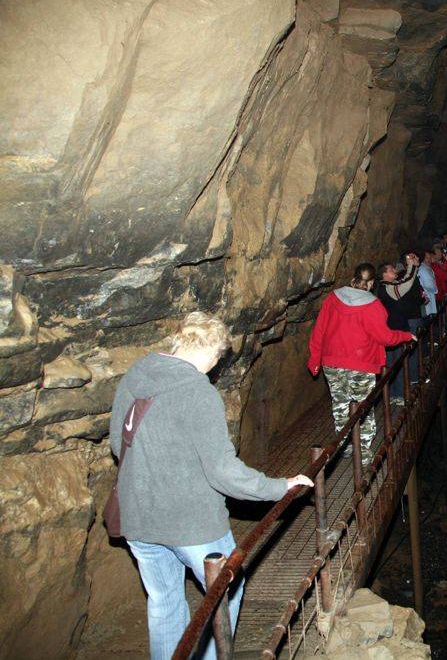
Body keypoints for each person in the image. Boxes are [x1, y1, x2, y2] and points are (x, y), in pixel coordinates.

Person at [110, 312, 314, 660]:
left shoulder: (137, 373)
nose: (217, 366)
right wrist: (280, 486)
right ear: (212, 351)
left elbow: (119, 443)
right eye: (219, 358)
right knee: (225, 592)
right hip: (192, 522)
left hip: (138, 513)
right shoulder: (198, 391)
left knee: (163, 601)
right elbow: (223, 471)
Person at [308, 263, 415, 461]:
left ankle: (344, 446)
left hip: (332, 362)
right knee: (362, 406)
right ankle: (362, 451)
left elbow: (319, 331)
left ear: (354, 277)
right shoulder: (373, 306)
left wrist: (315, 360)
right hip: (360, 363)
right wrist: (406, 336)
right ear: (372, 282)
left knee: (340, 405)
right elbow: (385, 337)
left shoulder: (333, 298)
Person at [376, 254, 423, 402]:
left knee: (392, 364)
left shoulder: (387, 286)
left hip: (390, 329)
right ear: (384, 273)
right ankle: (400, 395)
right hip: (395, 330)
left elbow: (404, 281)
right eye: (391, 270)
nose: (395, 271)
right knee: (399, 363)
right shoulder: (387, 287)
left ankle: (393, 394)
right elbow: (406, 284)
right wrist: (411, 265)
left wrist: (414, 266)